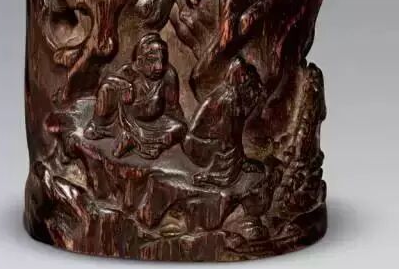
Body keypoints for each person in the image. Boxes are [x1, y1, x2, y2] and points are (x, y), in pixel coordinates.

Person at [84, 33, 187, 159]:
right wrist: (121, 84)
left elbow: (173, 108)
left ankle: (134, 141)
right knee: (106, 89)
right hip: (123, 120)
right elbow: (106, 84)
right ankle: (98, 127)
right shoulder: (129, 72)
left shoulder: (168, 74)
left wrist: (180, 126)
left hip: (153, 124)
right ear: (140, 60)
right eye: (152, 60)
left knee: (180, 128)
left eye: (162, 60)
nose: (159, 67)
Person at [182, 56, 264, 186]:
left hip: (201, 142)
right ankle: (212, 176)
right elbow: (228, 134)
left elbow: (235, 127)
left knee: (232, 142)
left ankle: (238, 163)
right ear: (234, 76)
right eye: (242, 75)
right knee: (230, 148)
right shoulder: (229, 98)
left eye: (245, 76)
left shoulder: (229, 92)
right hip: (198, 145)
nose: (244, 79)